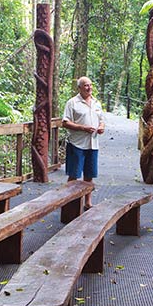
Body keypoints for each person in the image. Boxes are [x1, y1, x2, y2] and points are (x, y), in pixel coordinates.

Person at [62, 76, 105, 210]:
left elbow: (102, 119)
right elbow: (65, 122)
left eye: (90, 85)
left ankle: (88, 202)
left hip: (93, 144)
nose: (89, 88)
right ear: (79, 87)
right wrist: (82, 128)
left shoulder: (96, 102)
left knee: (89, 175)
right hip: (77, 144)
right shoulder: (72, 103)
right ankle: (68, 202)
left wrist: (101, 127)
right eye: (86, 85)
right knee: (74, 175)